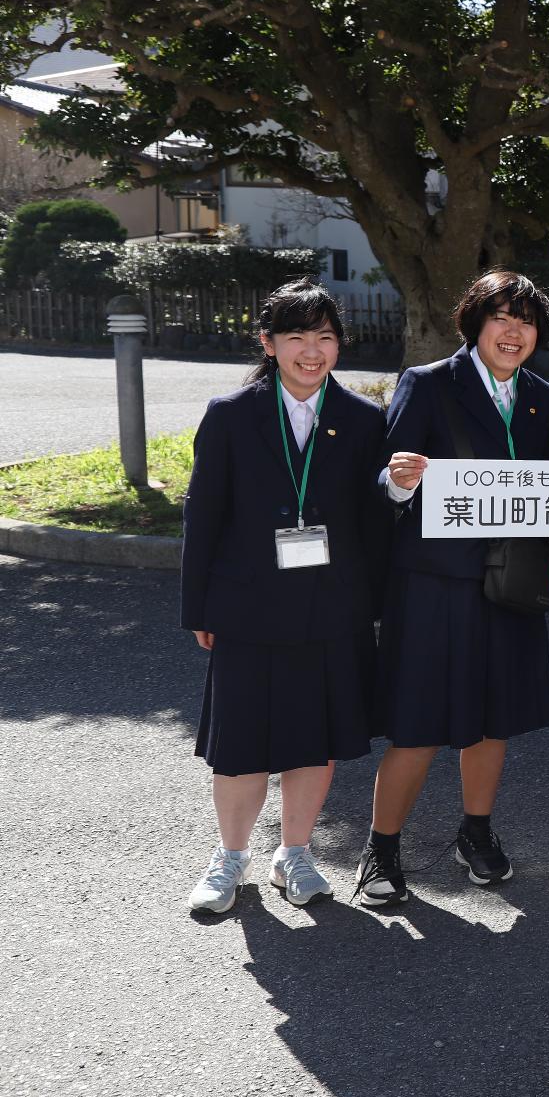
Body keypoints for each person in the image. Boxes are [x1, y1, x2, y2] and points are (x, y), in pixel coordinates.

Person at [180, 279, 388, 913]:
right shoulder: (231, 415)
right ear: (268, 344)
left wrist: (397, 493)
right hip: (246, 605)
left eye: (324, 337)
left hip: (332, 607)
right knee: (239, 742)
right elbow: (203, 515)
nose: (312, 351)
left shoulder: (362, 419)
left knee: (313, 737)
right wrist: (200, 608)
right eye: (296, 336)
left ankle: (295, 853)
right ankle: (230, 858)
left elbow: (371, 519)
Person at [358, 270, 549, 904]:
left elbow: (548, 492)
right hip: (432, 583)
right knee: (417, 724)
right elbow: (378, 485)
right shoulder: (427, 383)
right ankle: (381, 849)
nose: (513, 331)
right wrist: (398, 480)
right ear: (474, 323)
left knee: (492, 720)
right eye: (500, 317)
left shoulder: (540, 397)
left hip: (509, 582)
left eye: (525, 321)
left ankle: (477, 833)